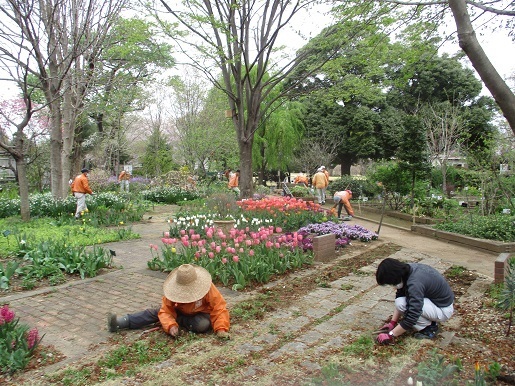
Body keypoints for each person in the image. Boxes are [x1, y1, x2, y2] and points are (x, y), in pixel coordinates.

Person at [107, 264, 231, 339]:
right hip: (178, 310)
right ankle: (120, 322)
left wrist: (221, 328)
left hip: (199, 315)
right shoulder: (173, 291)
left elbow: (219, 307)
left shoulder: (207, 287)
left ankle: (178, 320)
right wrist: (170, 326)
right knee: (156, 312)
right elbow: (166, 311)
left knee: (203, 325)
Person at [375, 258, 454, 345]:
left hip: (443, 309)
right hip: (434, 302)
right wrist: (392, 323)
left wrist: (391, 335)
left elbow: (413, 314)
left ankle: (430, 328)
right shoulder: (407, 270)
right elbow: (400, 295)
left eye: (391, 283)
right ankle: (428, 321)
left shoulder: (414, 283)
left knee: (406, 306)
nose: (393, 286)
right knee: (401, 302)